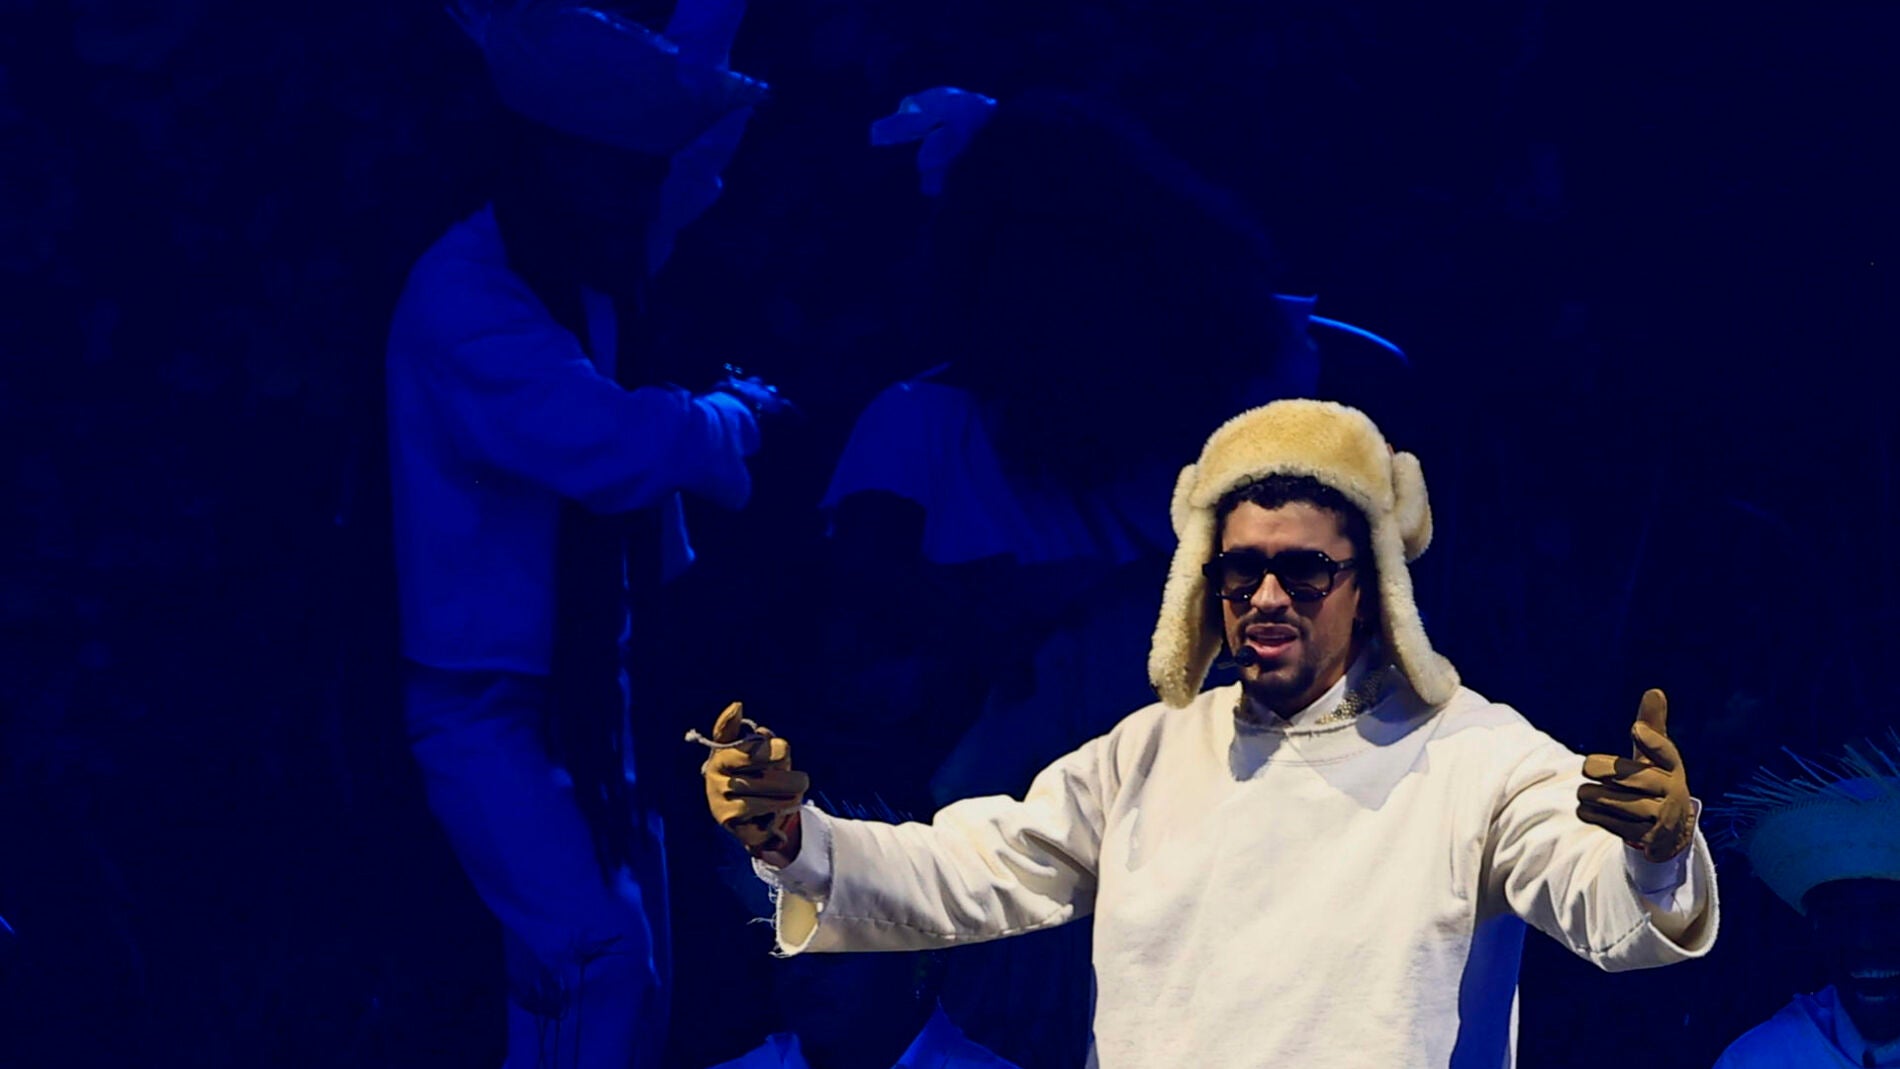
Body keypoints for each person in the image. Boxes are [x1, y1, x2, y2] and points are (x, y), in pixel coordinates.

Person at [699, 399, 1718, 1068]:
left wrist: (1655, 854)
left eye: (1303, 570)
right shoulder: (1146, 754)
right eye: (1241, 570)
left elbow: (1597, 902)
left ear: (1371, 585)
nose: (1266, 597)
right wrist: (802, 842)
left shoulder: (1477, 757)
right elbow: (968, 869)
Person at [387, 2, 790, 1065]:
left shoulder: (578, 243)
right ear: (556, 158)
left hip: (585, 686)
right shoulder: (469, 293)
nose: (650, 191)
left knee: (622, 991)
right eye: (625, 170)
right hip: (483, 702)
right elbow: (609, 445)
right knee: (595, 960)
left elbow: (687, 149)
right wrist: (736, 414)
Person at [1712, 735, 1900, 1067]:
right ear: (1815, 928)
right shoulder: (1758, 1060)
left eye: (1892, 914)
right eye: (1842, 917)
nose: (1867, 941)